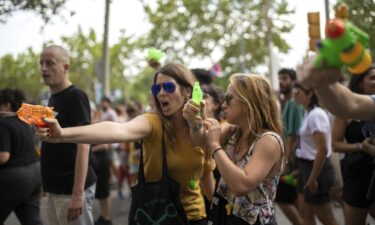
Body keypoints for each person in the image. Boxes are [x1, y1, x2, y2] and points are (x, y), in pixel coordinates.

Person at [37, 63, 215, 224]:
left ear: (186, 91)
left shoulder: (203, 129)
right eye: (156, 88)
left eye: (168, 87)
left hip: (195, 217)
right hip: (157, 216)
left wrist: (218, 215)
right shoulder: (153, 123)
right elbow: (118, 130)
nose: (161, 93)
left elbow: (207, 178)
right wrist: (62, 134)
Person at [185, 74, 285, 225]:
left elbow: (241, 185)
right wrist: (194, 122)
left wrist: (215, 146)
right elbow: (200, 141)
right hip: (228, 215)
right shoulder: (234, 130)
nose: (223, 105)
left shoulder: (268, 140)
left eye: (229, 98)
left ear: (248, 103)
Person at [39, 45, 96, 225]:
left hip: (71, 190)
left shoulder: (76, 96)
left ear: (65, 67)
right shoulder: (52, 97)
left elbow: (84, 145)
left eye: (50, 63)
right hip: (53, 189)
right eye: (41, 63)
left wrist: (77, 194)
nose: (43, 68)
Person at [331, 66, 375, 225]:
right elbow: (335, 145)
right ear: (360, 83)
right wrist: (361, 146)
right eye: (372, 78)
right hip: (357, 174)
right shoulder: (346, 110)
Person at [293, 83, 339, 225]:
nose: (295, 94)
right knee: (306, 213)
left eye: (298, 91)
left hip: (317, 169)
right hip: (307, 167)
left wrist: (312, 178)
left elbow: (323, 149)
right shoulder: (309, 112)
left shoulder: (316, 114)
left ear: (310, 93)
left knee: (325, 216)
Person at [0, 88, 42, 225]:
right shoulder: (24, 123)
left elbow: (3, 156)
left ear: (6, 105)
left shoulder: (3, 124)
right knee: (31, 220)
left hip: (13, 179)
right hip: (35, 175)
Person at [276, 68, 304, 225]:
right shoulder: (284, 101)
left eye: (285, 78)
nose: (281, 81)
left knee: (284, 198)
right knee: (293, 198)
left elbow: (294, 135)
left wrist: (285, 160)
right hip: (289, 155)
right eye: (280, 78)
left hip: (291, 157)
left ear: (293, 81)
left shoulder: (294, 102)